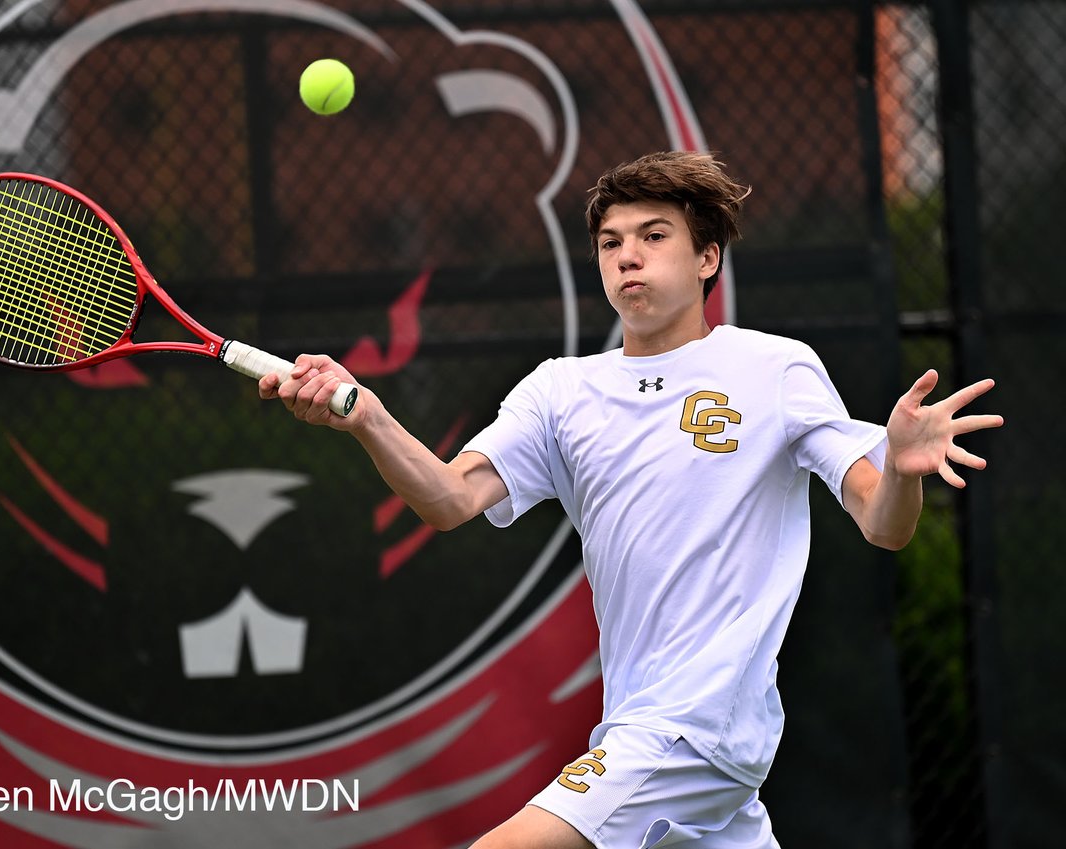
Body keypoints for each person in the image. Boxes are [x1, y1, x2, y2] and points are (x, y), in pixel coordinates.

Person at [258, 151, 1003, 849]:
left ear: (707, 258)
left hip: (696, 726)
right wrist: (369, 419)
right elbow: (449, 498)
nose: (628, 256)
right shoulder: (560, 390)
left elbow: (883, 523)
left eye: (654, 236)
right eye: (611, 242)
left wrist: (902, 472)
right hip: (644, 724)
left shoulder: (774, 369)